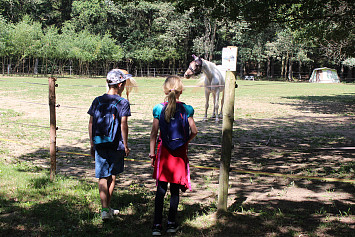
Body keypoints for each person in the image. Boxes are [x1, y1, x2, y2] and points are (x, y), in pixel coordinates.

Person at [149, 76, 198, 235]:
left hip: (164, 153)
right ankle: (171, 223)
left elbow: (154, 133)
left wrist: (152, 152)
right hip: (179, 154)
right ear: (181, 90)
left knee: (161, 189)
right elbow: (194, 131)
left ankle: (157, 225)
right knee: (175, 190)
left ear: (165, 89)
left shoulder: (158, 108)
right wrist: (186, 142)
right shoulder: (187, 109)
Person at [88, 69, 131, 220]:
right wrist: (125, 145)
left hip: (99, 143)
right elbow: (123, 125)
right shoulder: (123, 102)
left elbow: (91, 123)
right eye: (124, 83)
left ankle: (105, 209)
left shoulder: (97, 100)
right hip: (116, 144)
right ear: (120, 85)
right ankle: (107, 209)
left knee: (102, 176)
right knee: (112, 176)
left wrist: (92, 143)